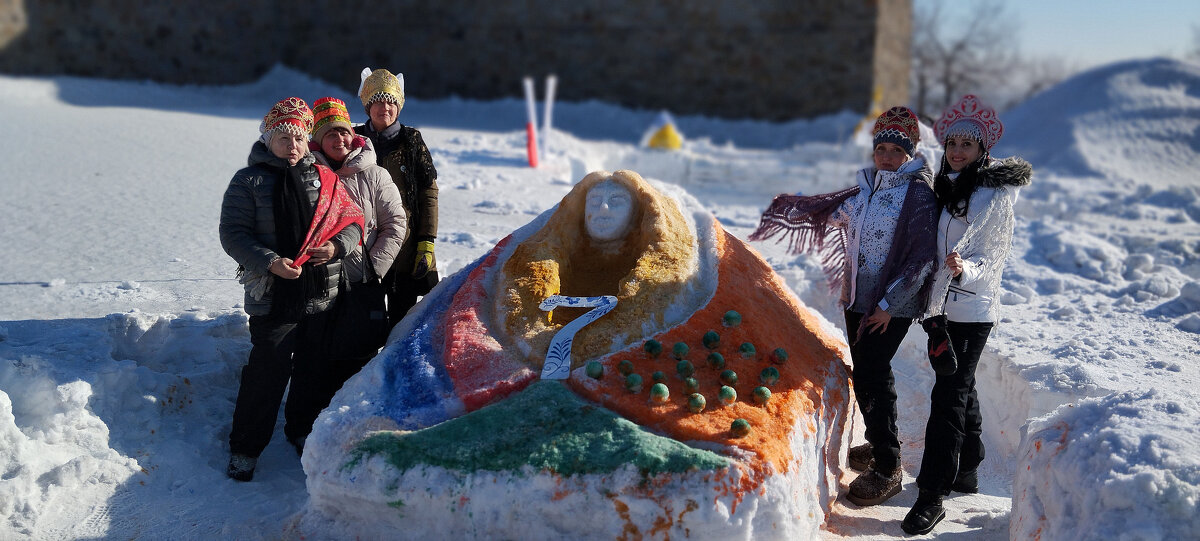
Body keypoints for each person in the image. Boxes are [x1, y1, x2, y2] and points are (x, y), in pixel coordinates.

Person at [750, 106, 938, 507]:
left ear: (910, 153)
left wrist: (888, 305)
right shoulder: (866, 187)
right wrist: (796, 206)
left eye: (896, 150)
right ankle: (878, 441)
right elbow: (835, 213)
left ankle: (888, 467)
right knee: (869, 373)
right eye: (881, 148)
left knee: (872, 374)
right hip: (857, 300)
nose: (887, 156)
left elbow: (922, 258)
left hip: (889, 306)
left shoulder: (917, 194)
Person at [901, 95, 1032, 535]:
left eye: (967, 145)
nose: (958, 151)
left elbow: (993, 255)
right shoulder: (949, 185)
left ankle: (932, 494)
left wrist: (964, 268)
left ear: (982, 149)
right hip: (940, 305)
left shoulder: (992, 196)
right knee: (960, 383)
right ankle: (969, 466)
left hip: (972, 309)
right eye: (953, 143)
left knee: (948, 395)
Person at [219, 97, 363, 481]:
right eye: (284, 137)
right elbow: (233, 234)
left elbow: (352, 221)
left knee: (312, 370)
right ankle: (245, 448)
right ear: (268, 140)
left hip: (321, 294)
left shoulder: (325, 178)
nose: (293, 145)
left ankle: (303, 431)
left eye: (299, 137)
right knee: (266, 372)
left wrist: (336, 247)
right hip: (272, 296)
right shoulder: (247, 181)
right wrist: (270, 262)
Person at [309, 96, 407, 393]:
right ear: (318, 141)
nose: (339, 139)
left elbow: (395, 225)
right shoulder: (307, 174)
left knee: (358, 357)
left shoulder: (374, 175)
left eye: (343, 132)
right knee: (315, 358)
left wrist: (372, 268)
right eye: (330, 134)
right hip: (316, 282)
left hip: (361, 283)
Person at [353, 68, 440, 325]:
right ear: (368, 107)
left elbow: (428, 193)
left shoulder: (411, 141)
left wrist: (426, 241)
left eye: (391, 102)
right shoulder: (354, 140)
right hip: (363, 244)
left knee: (403, 318)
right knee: (366, 317)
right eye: (378, 102)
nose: (385, 108)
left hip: (406, 245)